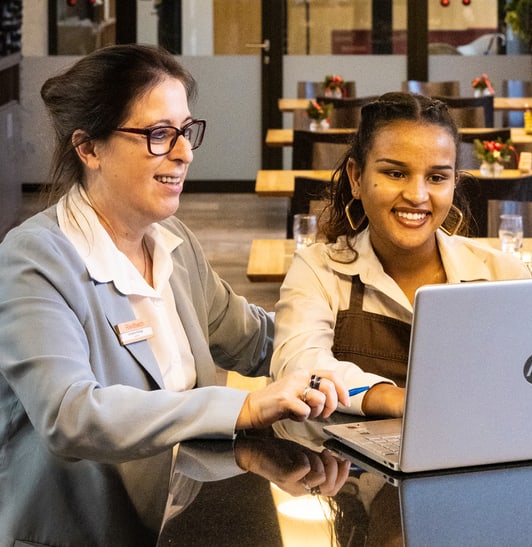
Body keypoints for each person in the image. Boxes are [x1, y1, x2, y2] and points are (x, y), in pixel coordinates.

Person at [0, 44, 348, 464]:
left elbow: (255, 339)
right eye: (160, 134)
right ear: (89, 149)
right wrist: (244, 406)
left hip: (185, 504)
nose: (185, 153)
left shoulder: (171, 241)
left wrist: (369, 338)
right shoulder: (32, 259)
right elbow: (72, 416)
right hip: (102, 529)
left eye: (185, 131)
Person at [270, 92, 531, 418]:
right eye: (395, 173)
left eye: (436, 178)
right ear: (356, 177)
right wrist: (399, 399)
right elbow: (298, 366)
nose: (417, 195)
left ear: (454, 184)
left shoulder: (503, 276)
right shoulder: (318, 270)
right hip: (340, 467)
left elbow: (526, 383)